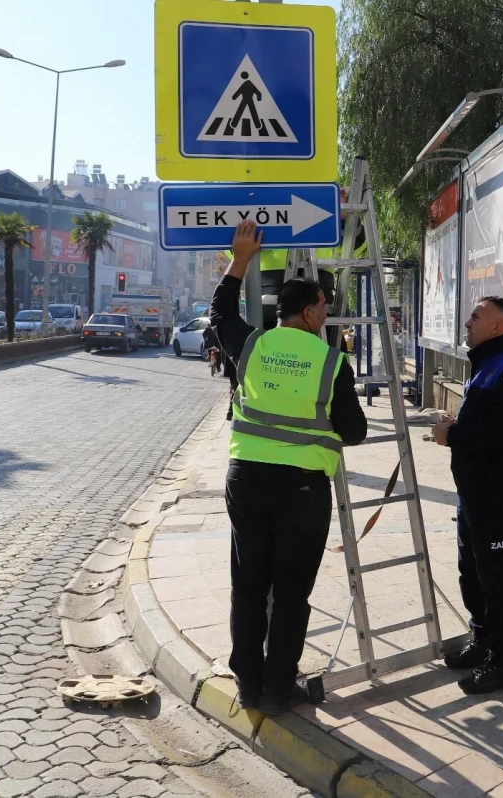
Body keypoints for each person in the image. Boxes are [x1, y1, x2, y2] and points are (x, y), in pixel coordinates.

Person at [210, 220, 367, 714]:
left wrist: (241, 260)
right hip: (301, 490)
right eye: (323, 306)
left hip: (247, 481)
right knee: (292, 591)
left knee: (249, 586)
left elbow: (220, 312)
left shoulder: (252, 345)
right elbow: (356, 432)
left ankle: (248, 686)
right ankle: (280, 688)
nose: (327, 313)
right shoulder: (330, 362)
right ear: (307, 311)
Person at [432, 296, 503, 694]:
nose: (467, 321)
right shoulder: (487, 364)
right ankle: (483, 639)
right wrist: (457, 425)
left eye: (475, 316)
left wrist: (452, 435)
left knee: (496, 580)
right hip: (475, 492)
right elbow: (488, 422)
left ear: (497, 326)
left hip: (497, 495)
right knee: (472, 573)